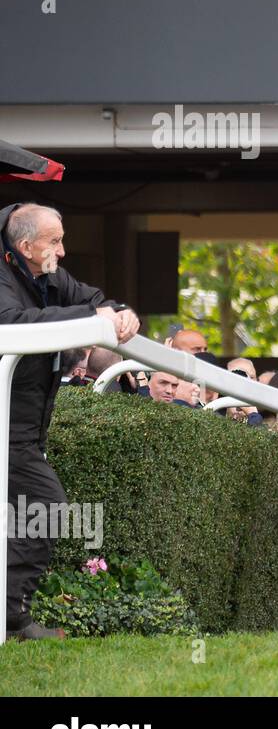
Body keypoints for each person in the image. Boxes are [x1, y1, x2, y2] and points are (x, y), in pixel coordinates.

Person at [0, 203, 139, 642]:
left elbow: (91, 299)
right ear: (26, 247)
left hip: (25, 425)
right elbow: (9, 322)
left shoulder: (46, 272)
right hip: (8, 427)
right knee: (48, 506)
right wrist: (87, 317)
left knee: (33, 511)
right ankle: (13, 619)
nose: (63, 249)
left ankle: (12, 616)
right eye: (54, 241)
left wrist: (120, 311)